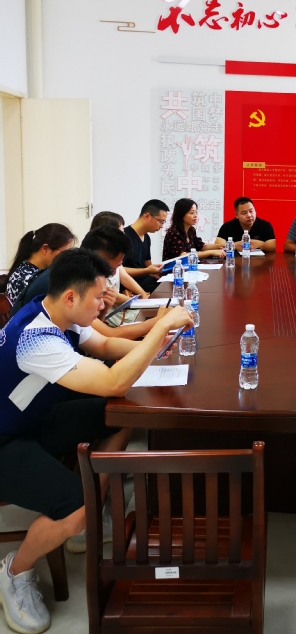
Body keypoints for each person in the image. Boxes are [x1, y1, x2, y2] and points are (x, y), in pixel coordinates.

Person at [0, 249, 192, 634]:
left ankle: (92, 510)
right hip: (5, 440)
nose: (105, 304)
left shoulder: (57, 311)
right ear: (72, 296)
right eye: (99, 297)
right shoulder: (35, 339)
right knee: (75, 507)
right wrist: (159, 329)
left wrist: (159, 349)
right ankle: (15, 572)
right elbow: (113, 380)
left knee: (122, 414)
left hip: (32, 420)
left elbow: (105, 347)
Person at [4, 224, 75, 304]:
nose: (66, 258)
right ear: (45, 249)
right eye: (64, 253)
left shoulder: (30, 271)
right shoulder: (28, 279)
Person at [123, 199, 168, 293]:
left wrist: (156, 272)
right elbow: (119, 271)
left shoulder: (146, 238)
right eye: (161, 221)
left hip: (146, 281)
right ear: (147, 216)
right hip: (132, 286)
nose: (161, 226)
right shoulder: (124, 237)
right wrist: (147, 271)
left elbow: (148, 266)